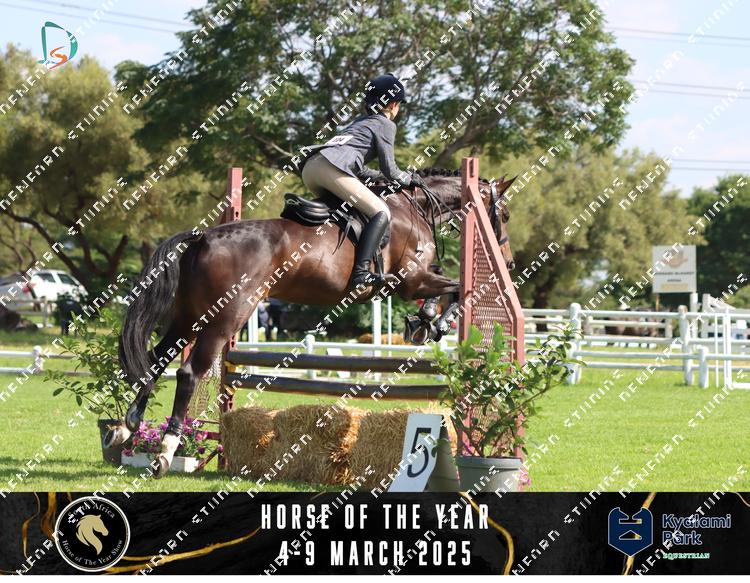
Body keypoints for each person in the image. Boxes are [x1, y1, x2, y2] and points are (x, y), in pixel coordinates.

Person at [301, 73, 424, 291]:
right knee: (381, 212)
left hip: (311, 168)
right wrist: (409, 178)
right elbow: (391, 170)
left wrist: (380, 177)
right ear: (394, 104)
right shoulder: (385, 124)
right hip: (331, 168)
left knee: (350, 212)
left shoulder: (360, 122)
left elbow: (361, 168)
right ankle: (360, 273)